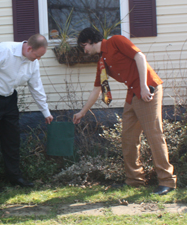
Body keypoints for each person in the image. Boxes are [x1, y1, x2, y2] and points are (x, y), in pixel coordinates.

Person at [73, 27, 176, 196]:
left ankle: (167, 182)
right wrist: (82, 112)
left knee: (154, 135)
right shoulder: (102, 62)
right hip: (132, 94)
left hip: (147, 89)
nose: (84, 50)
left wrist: (143, 86)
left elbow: (140, 57)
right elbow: (97, 90)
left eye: (83, 46)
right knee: (128, 138)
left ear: (89, 41)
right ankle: (135, 181)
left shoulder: (116, 41)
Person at [0, 34, 54, 193]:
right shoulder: (4, 50)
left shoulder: (33, 62)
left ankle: (14, 177)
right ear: (29, 48)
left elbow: (36, 87)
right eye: (37, 55)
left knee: (12, 140)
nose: (38, 59)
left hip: (9, 99)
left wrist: (45, 111)